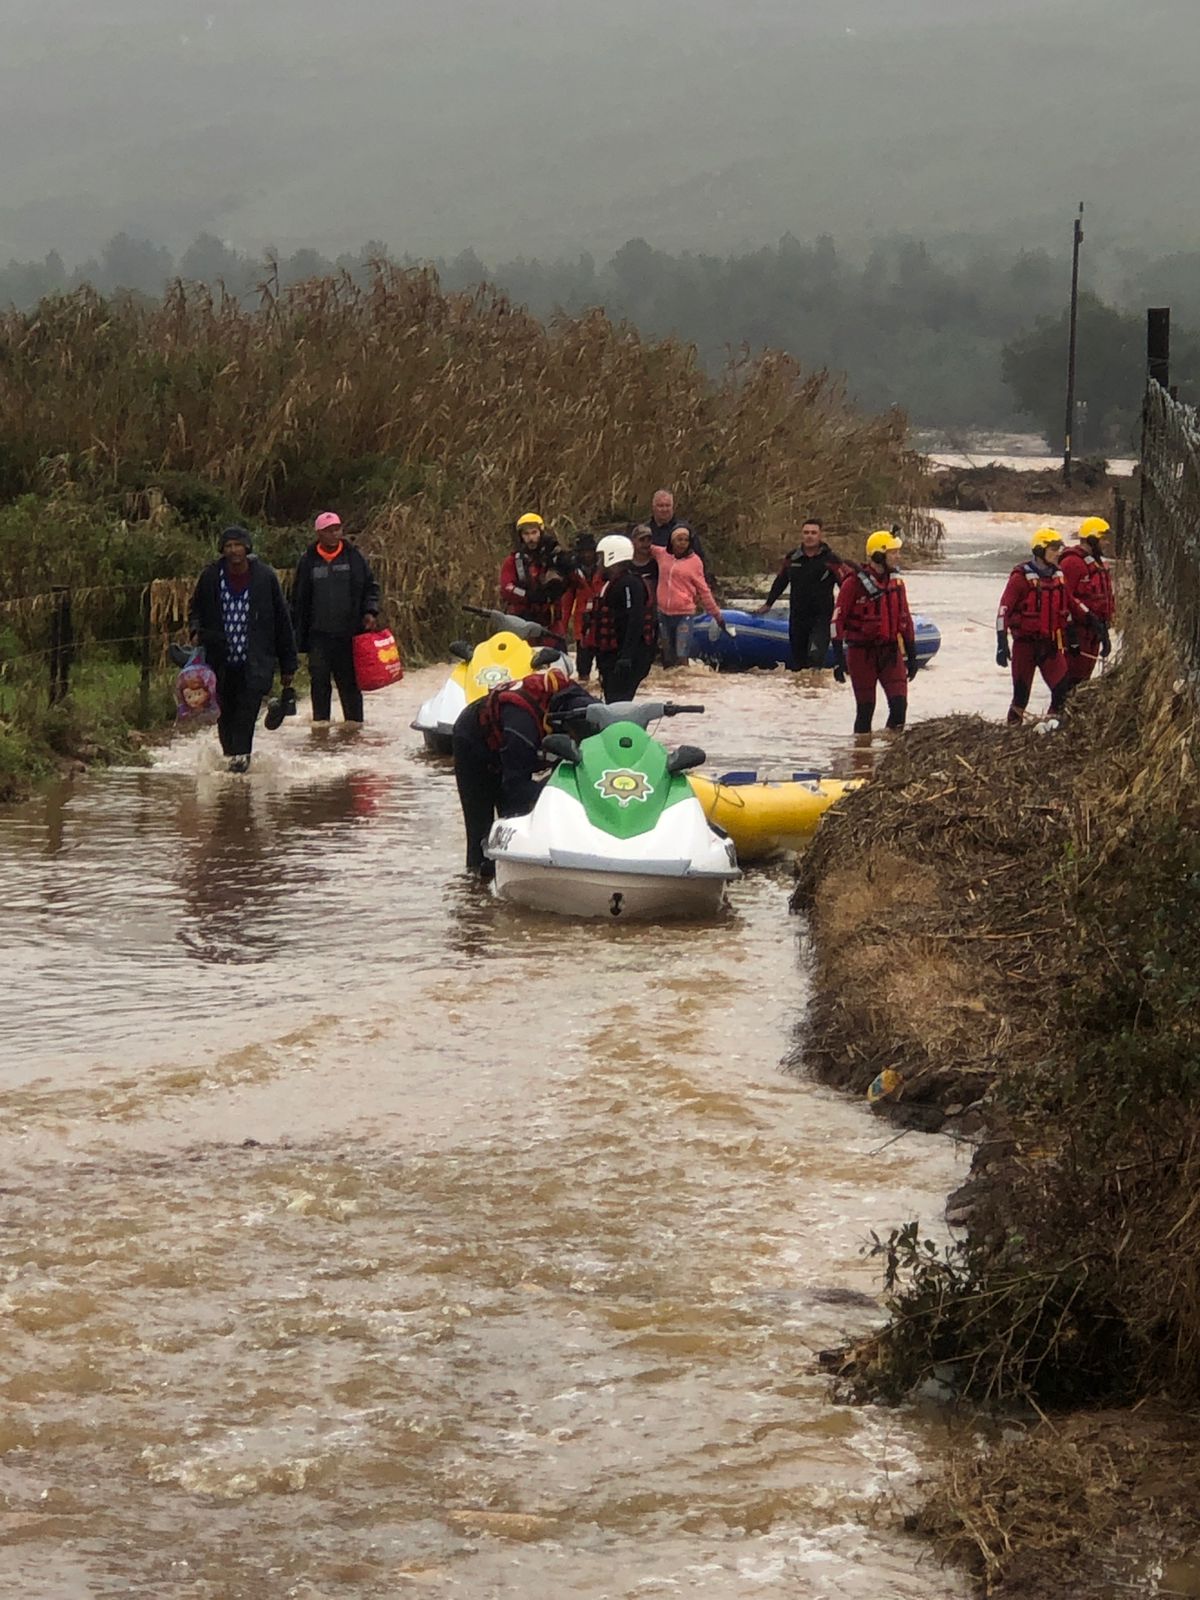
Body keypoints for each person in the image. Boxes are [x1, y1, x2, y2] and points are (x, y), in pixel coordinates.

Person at [452, 666, 596, 876]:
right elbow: (516, 788)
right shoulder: (522, 726)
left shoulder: (580, 698)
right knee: (490, 825)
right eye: (575, 737)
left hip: (512, 742)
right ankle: (477, 883)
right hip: (472, 741)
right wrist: (552, 791)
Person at [188, 526, 298, 772]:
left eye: (238, 545)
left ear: (247, 548)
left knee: (246, 715)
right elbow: (196, 609)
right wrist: (195, 631)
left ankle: (240, 764)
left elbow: (282, 621)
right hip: (220, 662)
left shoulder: (265, 577)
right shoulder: (211, 577)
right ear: (222, 550)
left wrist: (288, 665)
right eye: (228, 546)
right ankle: (232, 760)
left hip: (255, 661)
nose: (233, 550)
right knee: (224, 715)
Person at [996, 527, 1106, 726]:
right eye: (1053, 549)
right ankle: (1012, 728)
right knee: (1021, 696)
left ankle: (1051, 725)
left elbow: (1072, 603)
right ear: (1040, 551)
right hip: (1025, 647)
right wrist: (1002, 643)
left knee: (1062, 691)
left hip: (1051, 646)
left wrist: (1094, 621)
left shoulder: (1058, 577)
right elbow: (1003, 610)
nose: (1058, 553)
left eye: (1059, 548)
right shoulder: (1020, 579)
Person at [291, 511, 382, 726]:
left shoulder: (354, 557)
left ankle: (354, 727)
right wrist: (297, 633)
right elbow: (298, 597)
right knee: (319, 681)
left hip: (349, 634)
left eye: (337, 529)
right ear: (318, 534)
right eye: (328, 531)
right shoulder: (308, 561)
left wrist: (370, 611)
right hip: (318, 636)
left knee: (349, 684)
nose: (334, 534)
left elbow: (371, 588)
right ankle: (321, 726)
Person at [831, 530, 918, 735]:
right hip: (861, 654)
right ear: (879, 555)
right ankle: (862, 751)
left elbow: (905, 620)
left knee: (899, 707)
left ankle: (889, 747)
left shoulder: (897, 584)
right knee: (865, 710)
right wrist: (838, 659)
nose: (898, 557)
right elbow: (837, 621)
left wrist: (912, 655)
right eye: (893, 553)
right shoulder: (853, 584)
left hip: (890, 653)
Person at [757, 517, 848, 670]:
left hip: (821, 618)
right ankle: (802, 685)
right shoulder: (792, 558)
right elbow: (780, 581)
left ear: (820, 535)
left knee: (815, 658)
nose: (809, 536)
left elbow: (846, 586)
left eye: (813, 533)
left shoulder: (831, 560)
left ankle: (816, 684)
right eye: (806, 532)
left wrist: (847, 611)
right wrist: (768, 604)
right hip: (797, 617)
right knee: (799, 664)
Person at [650, 525, 725, 667]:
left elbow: (704, 590)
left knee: (682, 654)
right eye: (679, 539)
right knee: (667, 655)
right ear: (672, 541)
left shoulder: (695, 562)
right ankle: (669, 680)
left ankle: (685, 678)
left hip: (684, 615)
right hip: (663, 614)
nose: (683, 543)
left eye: (686, 540)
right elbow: (643, 547)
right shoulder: (662, 554)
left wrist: (717, 615)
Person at [593, 533, 652, 703]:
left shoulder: (629, 584)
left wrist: (626, 655)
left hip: (627, 657)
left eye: (601, 557)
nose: (598, 563)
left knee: (619, 702)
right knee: (612, 701)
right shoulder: (611, 583)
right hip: (613, 655)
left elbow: (635, 619)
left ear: (613, 556)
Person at [1060, 516, 1116, 685]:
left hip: (1094, 632)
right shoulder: (1072, 563)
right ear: (1092, 539)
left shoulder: (1098, 565)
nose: (1106, 543)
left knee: (1084, 679)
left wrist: (1104, 632)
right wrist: (1071, 634)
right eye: (1103, 539)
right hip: (1077, 631)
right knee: (1070, 680)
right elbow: (1064, 599)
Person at [499, 512, 565, 629]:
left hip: (550, 620)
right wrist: (527, 595)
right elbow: (507, 587)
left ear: (541, 533)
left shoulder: (553, 558)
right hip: (522, 620)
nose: (531, 538)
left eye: (534, 533)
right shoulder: (513, 561)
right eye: (526, 534)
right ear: (521, 537)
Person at [558, 533, 605, 680]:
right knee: (583, 666)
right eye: (583, 552)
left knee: (605, 664)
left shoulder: (605, 569)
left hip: (603, 621)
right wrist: (562, 627)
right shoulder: (573, 573)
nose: (586, 555)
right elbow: (567, 602)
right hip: (582, 624)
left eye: (589, 551)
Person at [647, 488, 707, 567]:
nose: (664, 509)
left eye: (668, 505)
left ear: (673, 507)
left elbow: (698, 558)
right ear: (653, 507)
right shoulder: (644, 531)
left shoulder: (684, 530)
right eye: (660, 506)